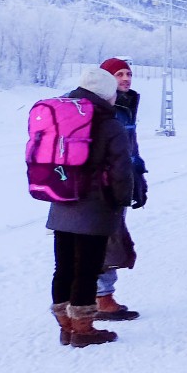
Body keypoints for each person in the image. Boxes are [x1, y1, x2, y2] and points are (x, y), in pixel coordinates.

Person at [44, 65, 137, 348]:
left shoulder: (62, 116)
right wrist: (123, 200)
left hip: (60, 199)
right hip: (95, 207)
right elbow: (122, 170)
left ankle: (66, 326)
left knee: (63, 267)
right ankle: (83, 330)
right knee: (87, 268)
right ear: (106, 94)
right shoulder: (110, 125)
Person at [94, 57, 147, 321]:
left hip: (119, 180)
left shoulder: (124, 105)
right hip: (106, 186)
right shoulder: (105, 108)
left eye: (128, 73)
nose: (125, 78)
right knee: (106, 239)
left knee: (108, 238)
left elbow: (130, 148)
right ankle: (101, 298)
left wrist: (139, 176)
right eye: (119, 74)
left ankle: (96, 295)